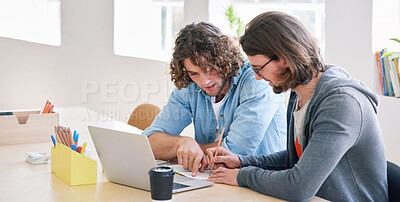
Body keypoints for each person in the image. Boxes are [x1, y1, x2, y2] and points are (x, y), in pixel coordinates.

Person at [206, 11, 388, 201]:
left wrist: (242, 176)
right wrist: (242, 162)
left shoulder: (342, 103)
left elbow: (299, 187)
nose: (258, 77)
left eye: (259, 69)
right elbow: (296, 160)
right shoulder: (298, 92)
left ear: (284, 58)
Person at [142, 22, 287, 177]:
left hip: (260, 179)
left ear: (223, 60)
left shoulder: (257, 79)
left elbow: (233, 152)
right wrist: (182, 143)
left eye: (209, 69)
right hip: (210, 178)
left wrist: (189, 149)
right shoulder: (190, 84)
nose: (205, 81)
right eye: (194, 73)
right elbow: (149, 141)